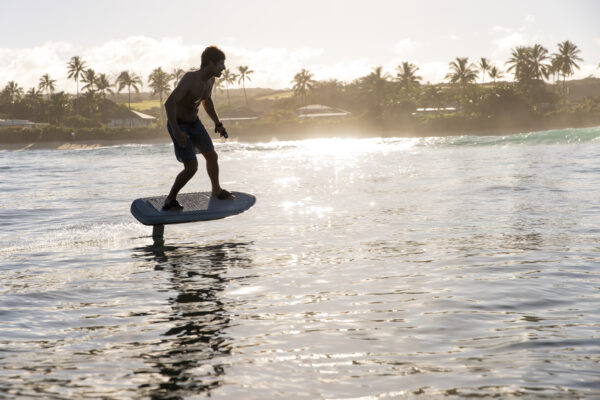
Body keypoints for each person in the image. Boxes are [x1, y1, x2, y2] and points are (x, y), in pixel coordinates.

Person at [162, 45, 234, 211]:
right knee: (191, 167)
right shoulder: (190, 79)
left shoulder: (210, 80)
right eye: (221, 64)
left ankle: (216, 190)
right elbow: (169, 103)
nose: (223, 68)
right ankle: (170, 199)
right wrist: (176, 131)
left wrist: (218, 123)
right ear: (210, 63)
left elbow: (206, 101)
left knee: (212, 156)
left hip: (194, 123)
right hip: (179, 124)